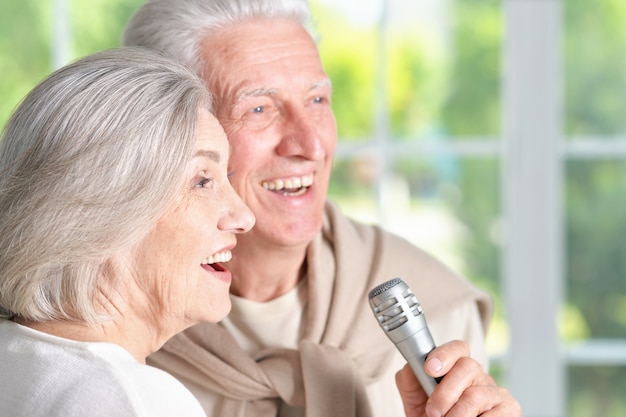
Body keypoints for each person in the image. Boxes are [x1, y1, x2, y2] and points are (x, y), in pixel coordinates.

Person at [123, 1, 521, 416]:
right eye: (258, 109)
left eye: (316, 100)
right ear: (165, 134)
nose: (310, 145)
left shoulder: (442, 310)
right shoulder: (109, 322)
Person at [0, 46, 255, 417]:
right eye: (202, 181)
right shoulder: (134, 398)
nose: (244, 216)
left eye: (225, 178)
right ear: (101, 209)